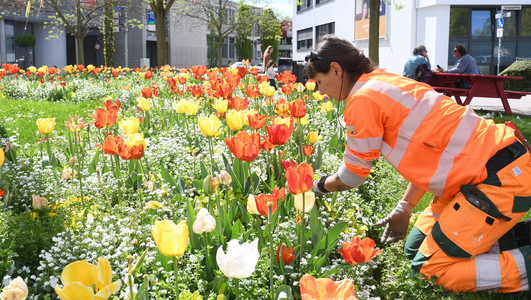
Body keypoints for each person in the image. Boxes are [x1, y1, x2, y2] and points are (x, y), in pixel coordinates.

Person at [305, 34, 531, 293]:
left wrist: (316, 188)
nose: (320, 91)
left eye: (319, 82)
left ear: (336, 69)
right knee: (415, 248)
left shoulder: (362, 99)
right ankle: (510, 238)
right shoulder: (384, 80)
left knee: (429, 269)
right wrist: (404, 208)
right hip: (484, 169)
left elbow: (354, 175)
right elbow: (431, 153)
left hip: (499, 179)